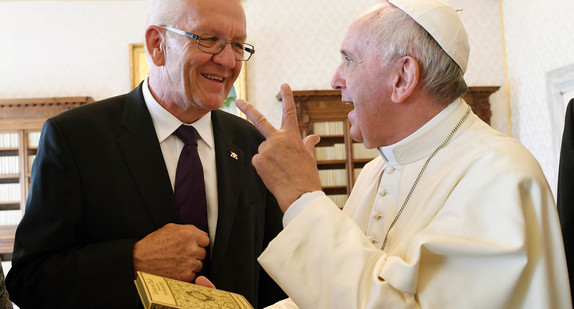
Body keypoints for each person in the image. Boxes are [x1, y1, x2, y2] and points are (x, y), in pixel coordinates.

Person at [235, 0, 572, 307]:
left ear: (403, 78)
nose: (336, 79)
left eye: (348, 60)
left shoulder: (501, 174)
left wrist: (301, 197)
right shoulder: (375, 171)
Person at [5, 0, 285, 308]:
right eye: (209, 40)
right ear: (157, 45)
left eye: (237, 44)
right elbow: (29, 281)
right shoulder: (75, 138)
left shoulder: (253, 144)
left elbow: (275, 283)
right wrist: (132, 261)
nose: (229, 60)